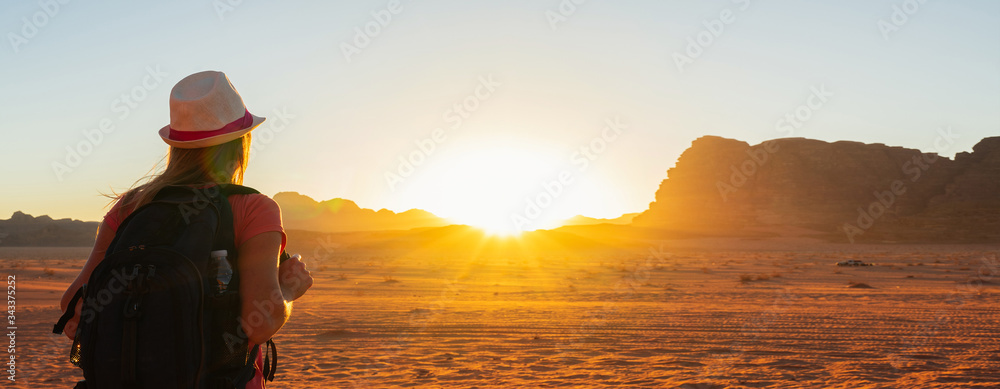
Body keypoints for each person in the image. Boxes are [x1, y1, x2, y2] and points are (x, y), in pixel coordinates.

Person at [58, 70, 312, 389]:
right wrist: (288, 287)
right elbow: (258, 322)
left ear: (175, 145)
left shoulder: (129, 207)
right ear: (241, 142)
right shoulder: (253, 208)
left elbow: (71, 305)